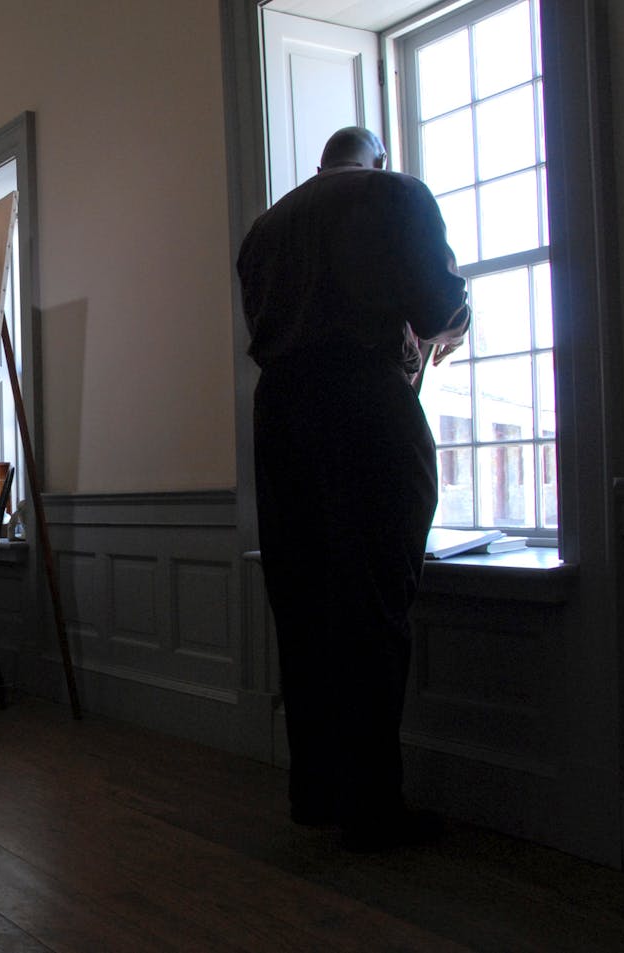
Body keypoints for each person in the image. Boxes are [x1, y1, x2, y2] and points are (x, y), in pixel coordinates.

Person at [236, 126, 471, 852]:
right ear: (378, 160)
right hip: (366, 407)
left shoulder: (265, 227)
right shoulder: (395, 193)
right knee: (375, 606)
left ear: (320, 166)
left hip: (280, 415)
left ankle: (317, 791)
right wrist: (450, 322)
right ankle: (375, 806)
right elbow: (439, 309)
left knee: (304, 606)